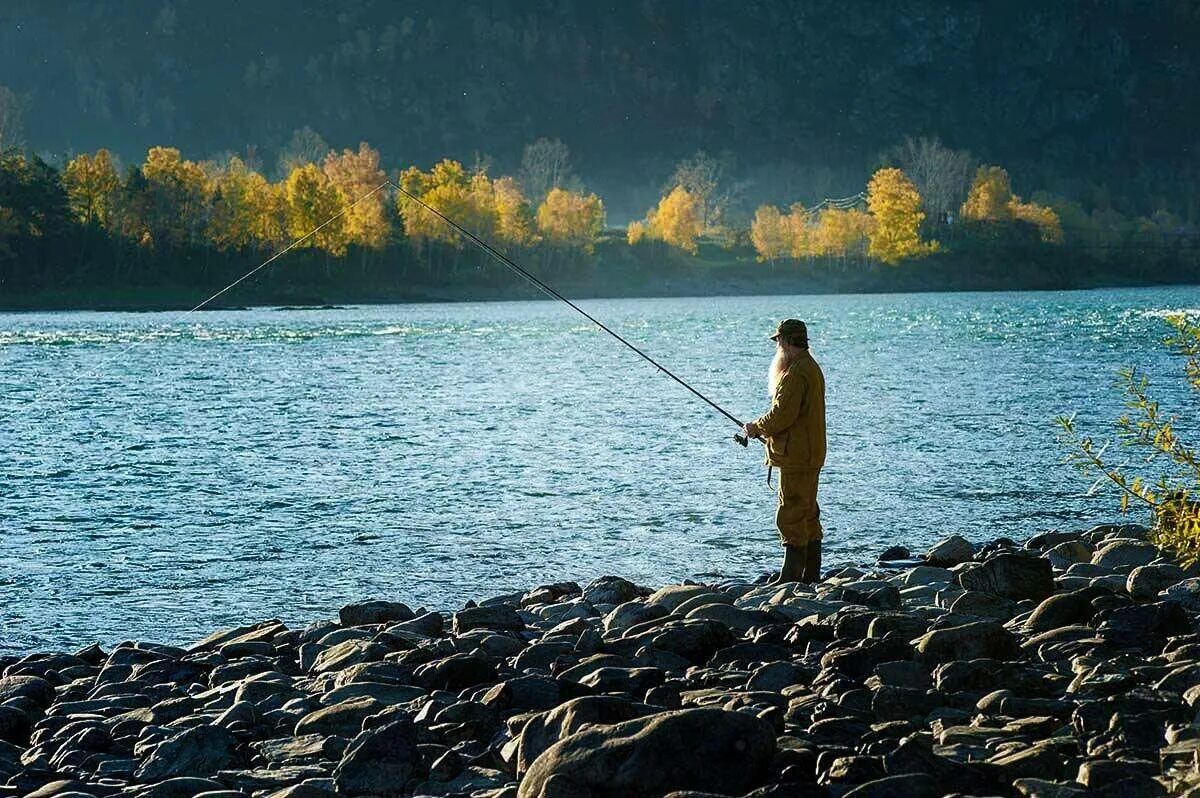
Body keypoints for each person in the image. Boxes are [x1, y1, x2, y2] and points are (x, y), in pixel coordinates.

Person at [742, 319, 827, 584]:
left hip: (797, 456)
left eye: (779, 341)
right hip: (811, 452)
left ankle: (790, 577)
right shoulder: (810, 367)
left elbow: (782, 415)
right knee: (808, 511)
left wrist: (756, 427)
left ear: (787, 342)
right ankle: (810, 574)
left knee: (791, 510)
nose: (777, 346)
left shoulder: (795, 373)